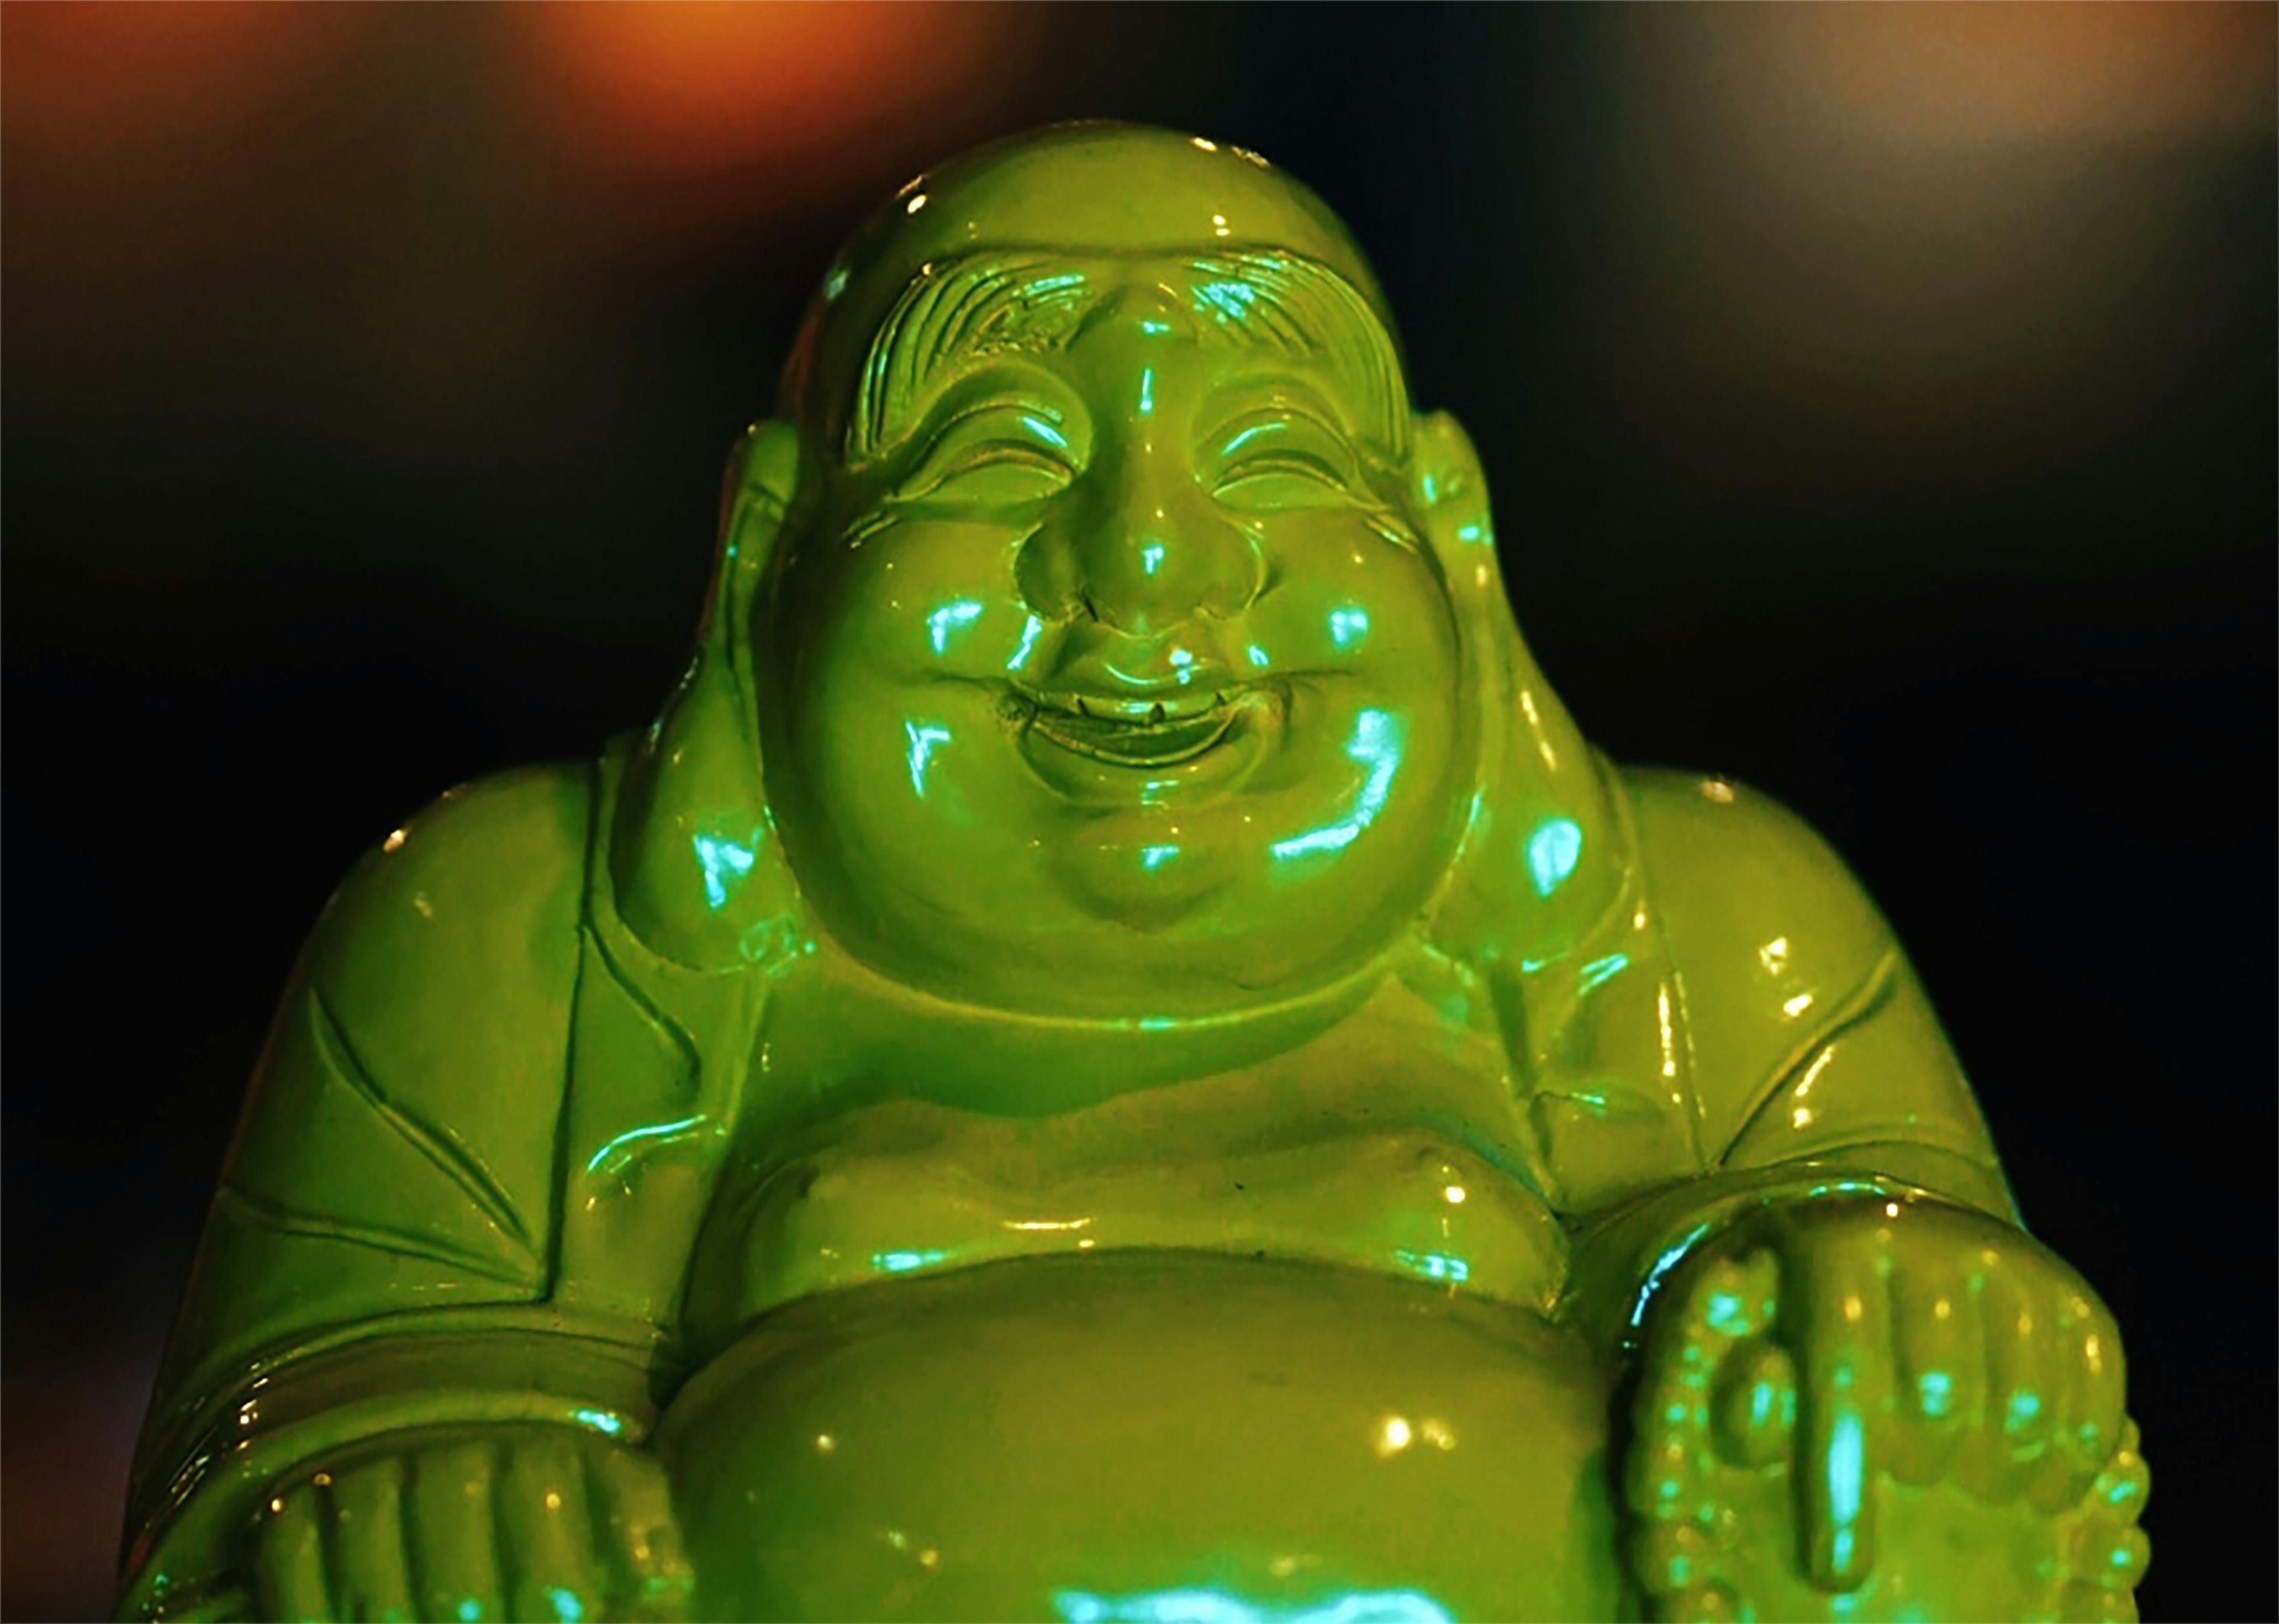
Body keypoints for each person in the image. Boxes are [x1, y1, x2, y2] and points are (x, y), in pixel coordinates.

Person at [121, 123, 2147, 1624]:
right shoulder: (516, 936)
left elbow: (1969, 1380)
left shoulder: (1711, 934)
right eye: (998, 453)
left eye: (1275, 458)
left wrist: (1884, 1337)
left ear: (1449, 539)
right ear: (768, 552)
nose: (1147, 565)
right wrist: (433, 1491)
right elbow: (282, 1456)